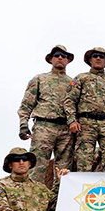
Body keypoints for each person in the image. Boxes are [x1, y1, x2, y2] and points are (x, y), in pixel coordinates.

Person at [18, 45, 75, 183]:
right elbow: (26, 105)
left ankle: (58, 196)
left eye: (63, 55)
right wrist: (23, 125)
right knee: (37, 167)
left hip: (66, 130)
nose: (60, 57)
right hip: (44, 127)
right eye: (56, 55)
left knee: (64, 171)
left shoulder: (73, 83)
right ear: (50, 59)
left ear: (68, 60)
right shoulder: (40, 79)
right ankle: (33, 196)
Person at [64, 47, 105, 171]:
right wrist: (72, 120)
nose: (98, 58)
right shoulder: (81, 78)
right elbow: (69, 100)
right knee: (84, 162)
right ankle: (84, 184)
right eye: (95, 56)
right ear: (90, 60)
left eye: (101, 56)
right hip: (85, 124)